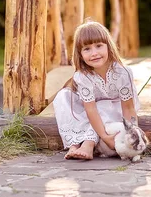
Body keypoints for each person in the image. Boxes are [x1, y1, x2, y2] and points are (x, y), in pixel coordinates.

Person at [52, 20, 140, 160]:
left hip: (114, 108)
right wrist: (105, 137)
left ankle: (88, 144)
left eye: (99, 46)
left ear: (108, 46)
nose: (94, 53)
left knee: (103, 106)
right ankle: (74, 144)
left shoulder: (122, 73)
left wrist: (133, 133)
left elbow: (128, 108)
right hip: (91, 109)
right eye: (87, 49)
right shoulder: (82, 76)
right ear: (80, 54)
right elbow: (90, 109)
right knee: (62, 97)